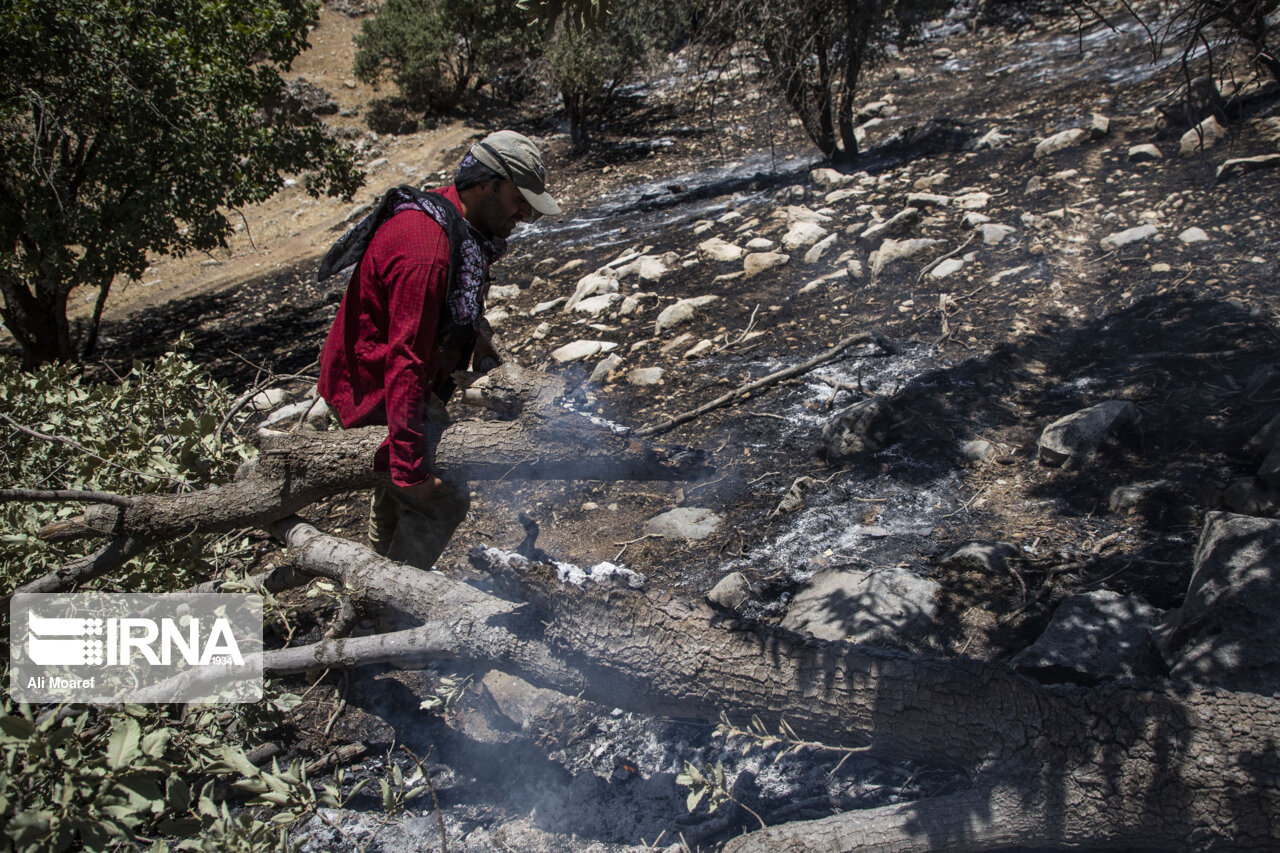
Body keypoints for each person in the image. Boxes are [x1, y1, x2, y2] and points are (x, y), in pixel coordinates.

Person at [315, 130, 560, 569]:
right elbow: (404, 360)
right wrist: (410, 472)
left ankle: (373, 580)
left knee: (400, 497)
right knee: (443, 500)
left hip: (388, 373)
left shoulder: (454, 219)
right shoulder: (427, 249)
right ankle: (393, 607)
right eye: (519, 198)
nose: (526, 213)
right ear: (486, 183)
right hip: (372, 385)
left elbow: (451, 308)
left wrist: (480, 347)